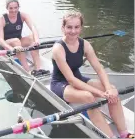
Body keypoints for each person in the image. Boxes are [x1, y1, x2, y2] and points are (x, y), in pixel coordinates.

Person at [50, 10, 134, 138]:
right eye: (69, 27)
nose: (73, 31)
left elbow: (99, 69)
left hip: (79, 79)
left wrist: (107, 90)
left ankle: (124, 133)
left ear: (81, 28)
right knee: (88, 97)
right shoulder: (58, 48)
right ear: (63, 28)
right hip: (60, 84)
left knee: (112, 90)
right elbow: (71, 80)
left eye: (76, 27)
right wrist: (101, 93)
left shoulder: (85, 45)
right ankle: (110, 136)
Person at [0, 0, 49, 77]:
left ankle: (38, 69)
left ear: (18, 7)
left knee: (32, 38)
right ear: (7, 8)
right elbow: (0, 39)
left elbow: (33, 28)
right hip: (5, 45)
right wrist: (11, 49)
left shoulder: (23, 16)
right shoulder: (1, 19)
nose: (13, 10)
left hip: (18, 42)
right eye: (11, 8)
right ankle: (27, 71)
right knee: (16, 41)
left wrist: (37, 41)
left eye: (16, 8)